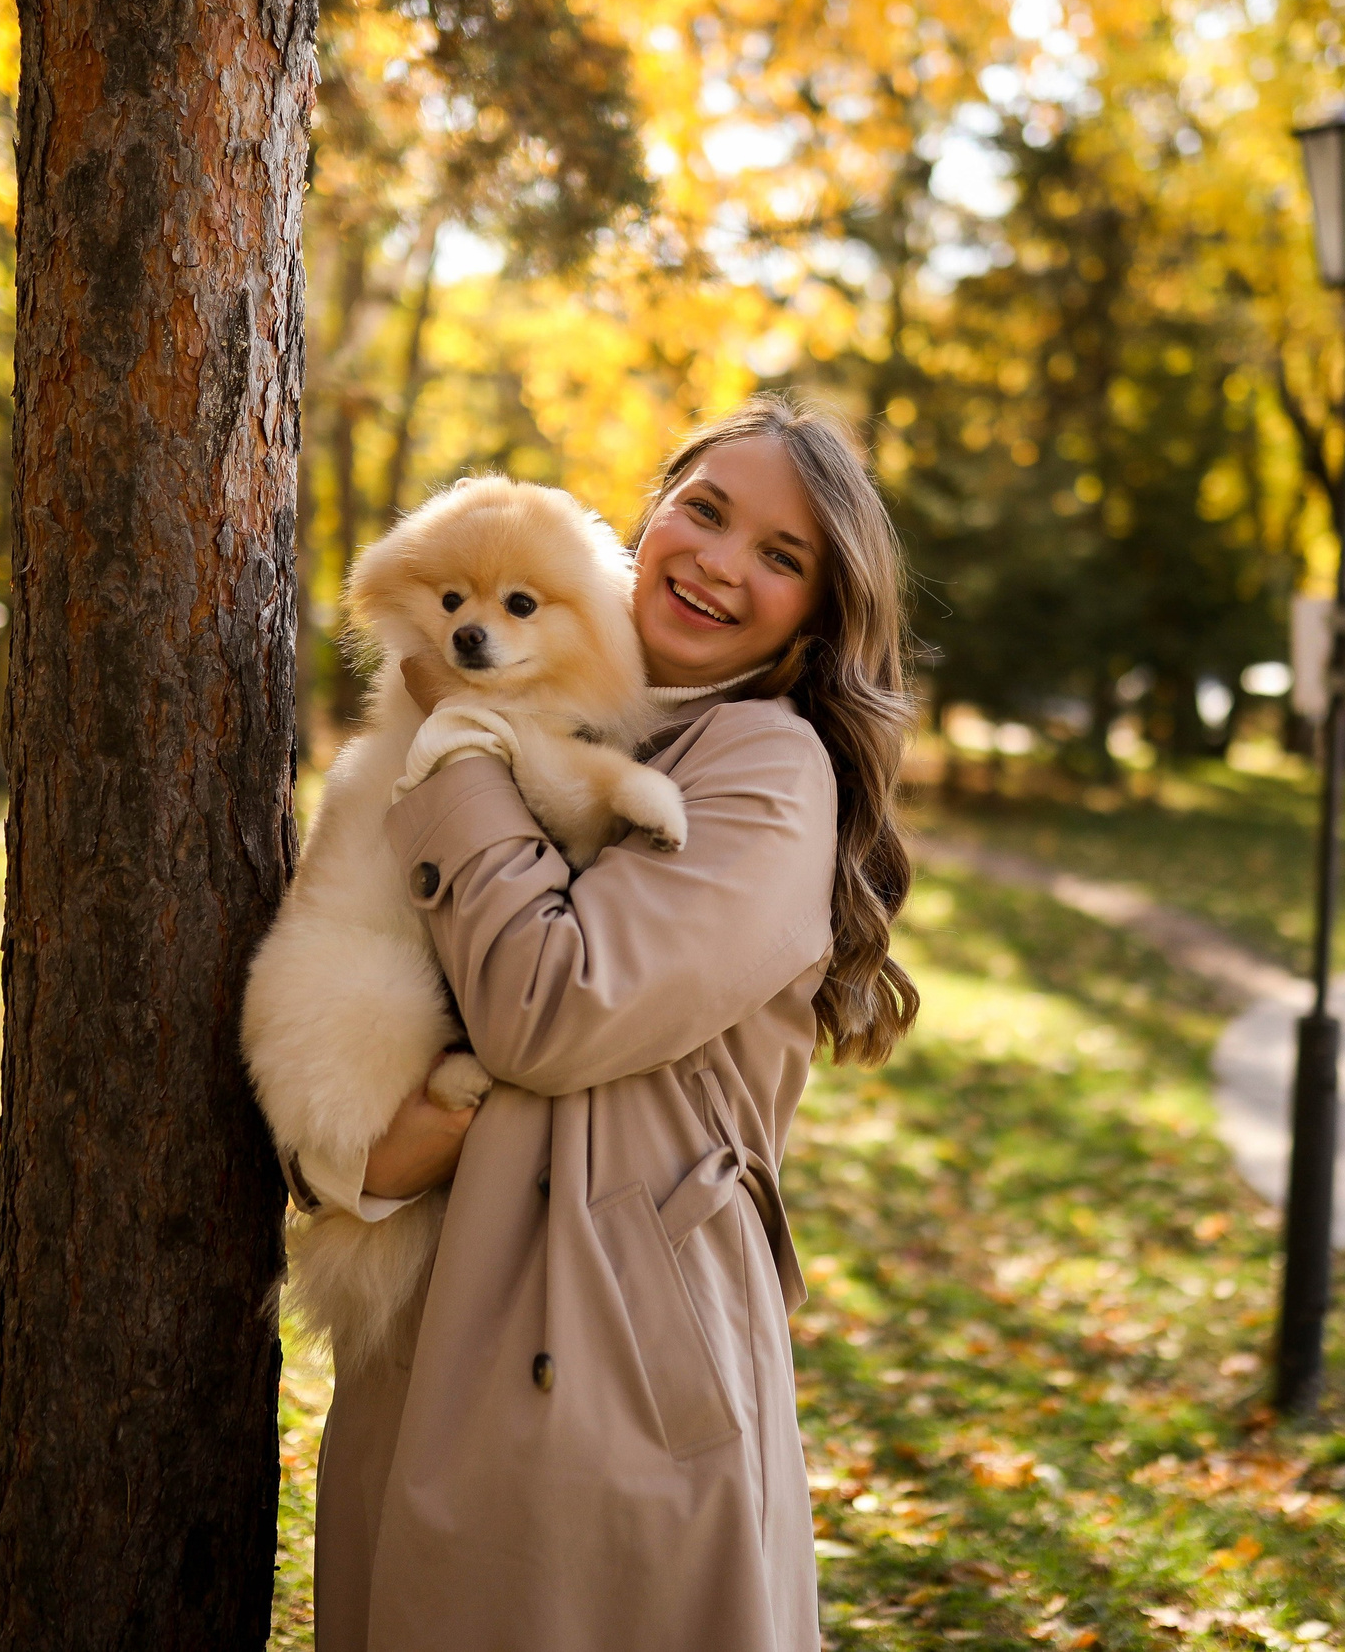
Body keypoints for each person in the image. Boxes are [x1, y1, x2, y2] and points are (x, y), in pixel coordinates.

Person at [307, 394, 919, 1651]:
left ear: (815, 616)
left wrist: (458, 737)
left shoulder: (764, 767)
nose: (720, 561)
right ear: (648, 518)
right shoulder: (580, 699)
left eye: (780, 556)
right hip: (436, 1325)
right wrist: (349, 1157)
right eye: (704, 511)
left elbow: (548, 1010)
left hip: (606, 1368)